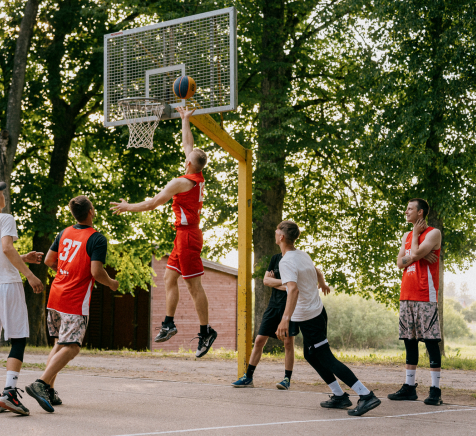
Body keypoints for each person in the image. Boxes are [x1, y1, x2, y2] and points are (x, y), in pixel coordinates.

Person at [110, 107, 217, 358]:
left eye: (187, 155)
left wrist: (127, 207)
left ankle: (206, 331)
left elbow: (151, 203)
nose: (185, 153)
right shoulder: (197, 173)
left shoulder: (182, 182)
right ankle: (169, 323)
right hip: (183, 235)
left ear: (189, 162)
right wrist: (185, 119)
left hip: (188, 237)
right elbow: (187, 142)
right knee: (169, 279)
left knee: (194, 287)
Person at [275, 220, 381, 417]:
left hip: (309, 317)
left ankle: (366, 395)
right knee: (310, 354)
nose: (276, 232)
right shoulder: (302, 254)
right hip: (316, 312)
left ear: (281, 237)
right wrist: (321, 282)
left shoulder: (286, 261)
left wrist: (285, 319)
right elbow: (315, 271)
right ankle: (339, 396)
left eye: (277, 230)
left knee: (325, 357)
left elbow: (293, 290)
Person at [25, 196, 118, 412]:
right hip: (74, 300)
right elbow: (96, 272)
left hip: (56, 295)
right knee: (73, 346)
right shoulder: (96, 238)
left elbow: (49, 260)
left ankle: (48, 389)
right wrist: (111, 283)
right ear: (91, 211)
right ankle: (41, 383)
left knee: (59, 344)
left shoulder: (64, 233)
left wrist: (65, 273)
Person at [0, 182, 44, 416]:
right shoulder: (6, 218)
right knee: (19, 338)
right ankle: (9, 393)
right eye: (1, 193)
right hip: (8, 285)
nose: (4, 195)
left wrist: (24, 257)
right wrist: (30, 275)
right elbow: (5, 248)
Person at [232, 253, 330, 390]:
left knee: (288, 342)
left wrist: (322, 283)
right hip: (273, 306)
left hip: (290, 306)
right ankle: (248, 377)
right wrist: (285, 282)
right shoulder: (275, 258)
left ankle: (286, 379)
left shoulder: (297, 258)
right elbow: (266, 281)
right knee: (259, 340)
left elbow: (297, 284)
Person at [389, 198, 443, 405]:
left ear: (420, 213)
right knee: (409, 341)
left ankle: (435, 391)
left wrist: (415, 249)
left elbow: (416, 253)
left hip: (425, 295)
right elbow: (399, 263)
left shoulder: (433, 233)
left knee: (430, 342)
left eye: (410, 209)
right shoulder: (406, 234)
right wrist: (415, 254)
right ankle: (409, 388)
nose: (406, 211)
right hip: (406, 294)